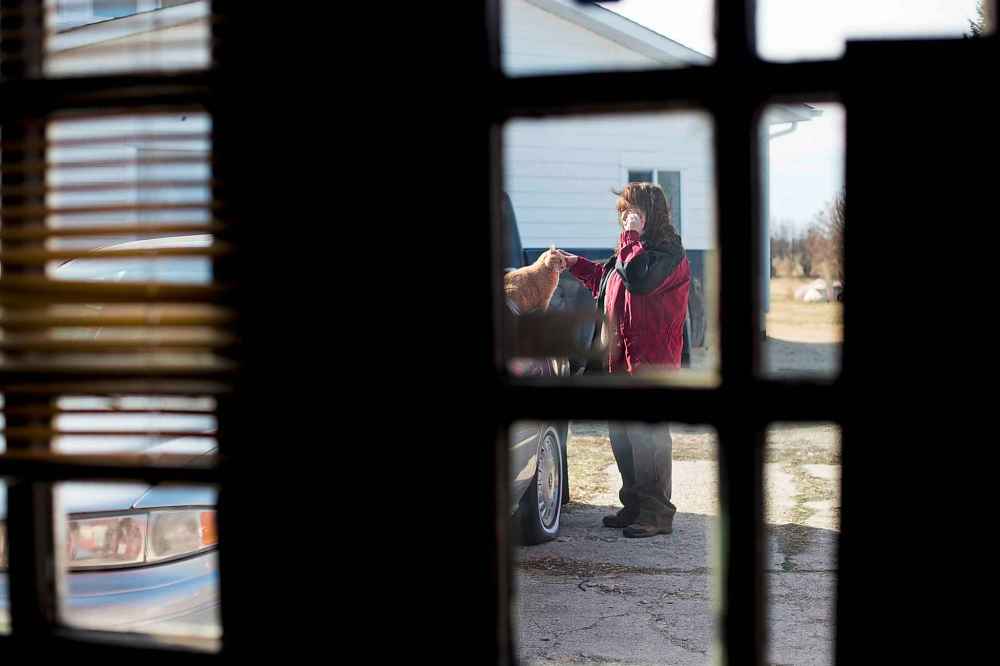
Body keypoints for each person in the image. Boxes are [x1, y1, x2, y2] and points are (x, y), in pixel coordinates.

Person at [555, 182, 690, 538]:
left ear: (652, 213)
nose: (625, 218)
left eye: (633, 211)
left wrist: (629, 238)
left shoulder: (668, 251)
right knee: (624, 437)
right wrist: (576, 265)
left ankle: (657, 514)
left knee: (649, 438)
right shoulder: (633, 250)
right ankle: (634, 506)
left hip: (650, 363)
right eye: (623, 212)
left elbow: (640, 280)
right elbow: (610, 278)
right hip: (619, 362)